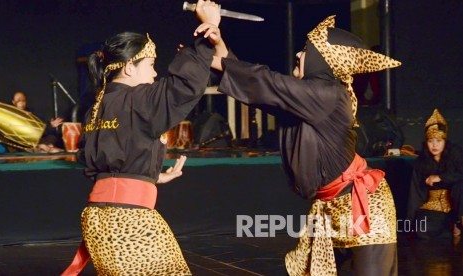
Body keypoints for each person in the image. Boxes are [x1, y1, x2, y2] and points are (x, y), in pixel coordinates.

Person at [210, 15, 401, 275]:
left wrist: (220, 62)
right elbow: (263, 94)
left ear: (322, 59)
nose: (299, 54)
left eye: (306, 50)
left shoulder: (329, 94)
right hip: (331, 206)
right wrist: (219, 47)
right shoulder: (310, 99)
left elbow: (270, 83)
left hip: (363, 207)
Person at [62, 1, 222, 275]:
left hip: (99, 220)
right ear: (128, 68)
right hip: (128, 220)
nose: (155, 72)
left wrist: (150, 175)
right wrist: (210, 29)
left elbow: (99, 164)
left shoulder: (96, 108)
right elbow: (183, 87)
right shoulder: (138, 100)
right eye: (150, 64)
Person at [407, 109, 463, 239]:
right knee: (421, 230)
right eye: (431, 141)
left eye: (439, 141)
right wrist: (411, 220)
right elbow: (415, 192)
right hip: (434, 206)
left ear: (445, 141)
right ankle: (450, 226)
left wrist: (440, 177)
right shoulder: (421, 161)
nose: (435, 145)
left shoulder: (455, 154)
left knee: (461, 185)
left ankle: (458, 221)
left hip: (457, 204)